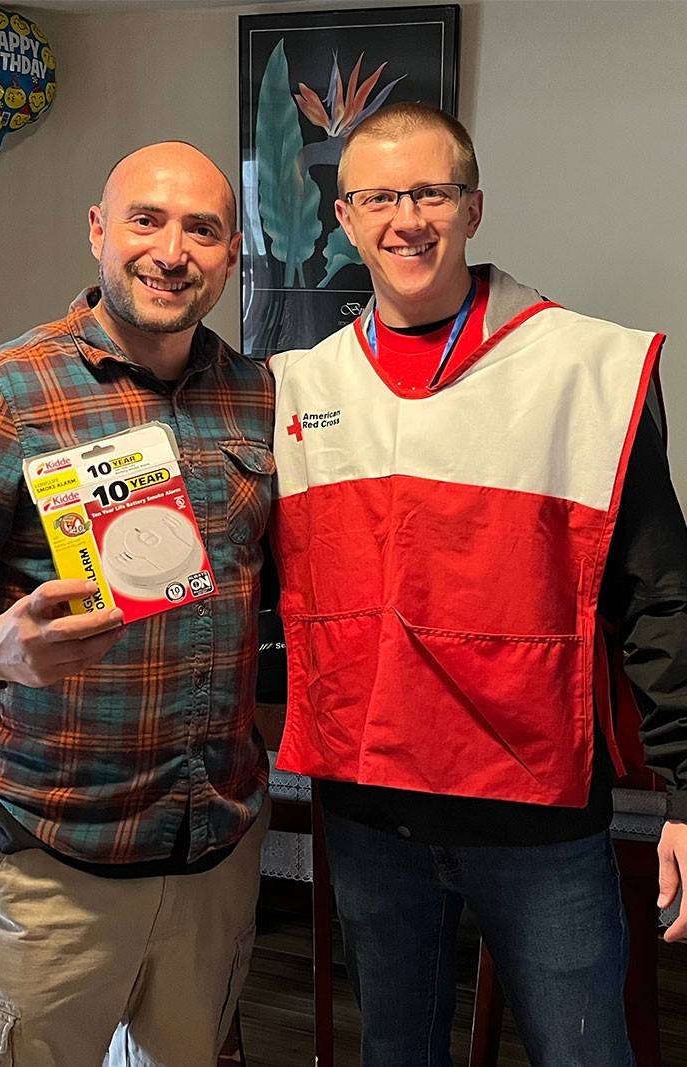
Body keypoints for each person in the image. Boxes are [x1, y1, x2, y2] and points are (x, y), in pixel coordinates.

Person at [267, 102, 687, 1066]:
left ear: (474, 205)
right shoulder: (298, 384)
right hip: (369, 811)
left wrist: (685, 797)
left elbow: (662, 595)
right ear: (343, 217)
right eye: (379, 195)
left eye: (431, 192)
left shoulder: (586, 366)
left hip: (535, 816)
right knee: (394, 1051)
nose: (406, 218)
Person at [0, 142, 275, 1067]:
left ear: (230, 258)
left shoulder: (256, 394)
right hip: (60, 853)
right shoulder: (0, 393)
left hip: (215, 842)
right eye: (146, 219)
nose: (172, 250)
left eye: (202, 229)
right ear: (99, 232)